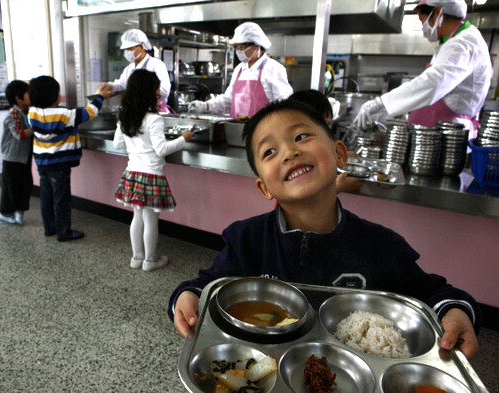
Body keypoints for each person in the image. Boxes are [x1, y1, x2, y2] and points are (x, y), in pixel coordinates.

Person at [169, 99, 481, 361]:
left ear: (340, 155)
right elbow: (205, 286)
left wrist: (455, 312)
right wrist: (187, 297)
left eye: (301, 136)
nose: (289, 152)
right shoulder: (246, 241)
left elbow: (434, 294)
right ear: (264, 188)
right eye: (269, 152)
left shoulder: (380, 245)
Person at [353, 0, 492, 143]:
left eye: (422, 20)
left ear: (438, 13)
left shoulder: (463, 44)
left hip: (449, 137)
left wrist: (380, 103)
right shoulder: (451, 42)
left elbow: (433, 83)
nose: (422, 27)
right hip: (437, 133)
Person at [113, 69, 194, 271]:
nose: (159, 95)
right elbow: (162, 149)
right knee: (151, 220)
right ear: (148, 93)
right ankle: (150, 260)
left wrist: (137, 147)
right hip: (152, 175)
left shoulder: (124, 115)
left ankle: (136, 257)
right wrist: (184, 138)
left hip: (132, 173)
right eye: (157, 92)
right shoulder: (153, 119)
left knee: (137, 216)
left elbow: (117, 144)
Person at [28, 76, 108, 242]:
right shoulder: (65, 114)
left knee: (46, 197)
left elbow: (49, 117)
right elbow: (90, 112)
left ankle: (49, 228)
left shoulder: (32, 113)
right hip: (59, 164)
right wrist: (99, 96)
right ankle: (64, 232)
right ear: (55, 96)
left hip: (42, 162)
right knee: (61, 199)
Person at [189, 22, 293, 119]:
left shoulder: (273, 68)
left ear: (257, 46)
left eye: (242, 48)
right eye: (237, 48)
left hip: (264, 130)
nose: (239, 52)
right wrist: (206, 106)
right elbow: (228, 100)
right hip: (237, 128)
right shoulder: (239, 69)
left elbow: (284, 105)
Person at [289, 89, 363, 194]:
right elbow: (303, 199)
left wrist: (338, 155)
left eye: (327, 125)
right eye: (321, 124)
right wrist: (336, 188)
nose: (324, 131)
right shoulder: (293, 154)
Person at [101, 29, 171, 113]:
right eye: (125, 49)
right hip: (136, 113)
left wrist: (142, 91)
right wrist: (110, 86)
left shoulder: (156, 64)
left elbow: (165, 91)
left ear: (141, 47)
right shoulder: (129, 68)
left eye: (130, 48)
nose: (126, 52)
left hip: (155, 112)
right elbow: (122, 84)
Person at [0, 80, 34, 226]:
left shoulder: (26, 112)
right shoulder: (13, 114)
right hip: (12, 157)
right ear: (18, 98)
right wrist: (38, 128)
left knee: (25, 185)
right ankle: (5, 213)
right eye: (28, 94)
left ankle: (20, 211)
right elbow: (20, 134)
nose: (31, 96)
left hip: (23, 157)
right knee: (11, 187)